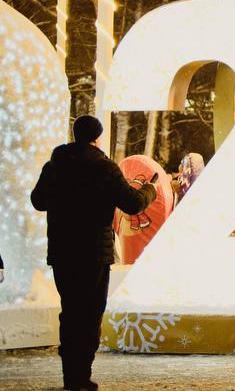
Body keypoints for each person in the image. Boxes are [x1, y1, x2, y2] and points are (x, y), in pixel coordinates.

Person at [30, 114, 158, 391]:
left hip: (63, 253)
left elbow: (37, 201)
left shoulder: (55, 165)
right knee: (90, 314)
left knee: (71, 312)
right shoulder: (104, 168)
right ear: (97, 137)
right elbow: (132, 204)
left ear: (75, 134)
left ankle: (70, 377)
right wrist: (150, 189)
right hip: (93, 254)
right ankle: (81, 377)